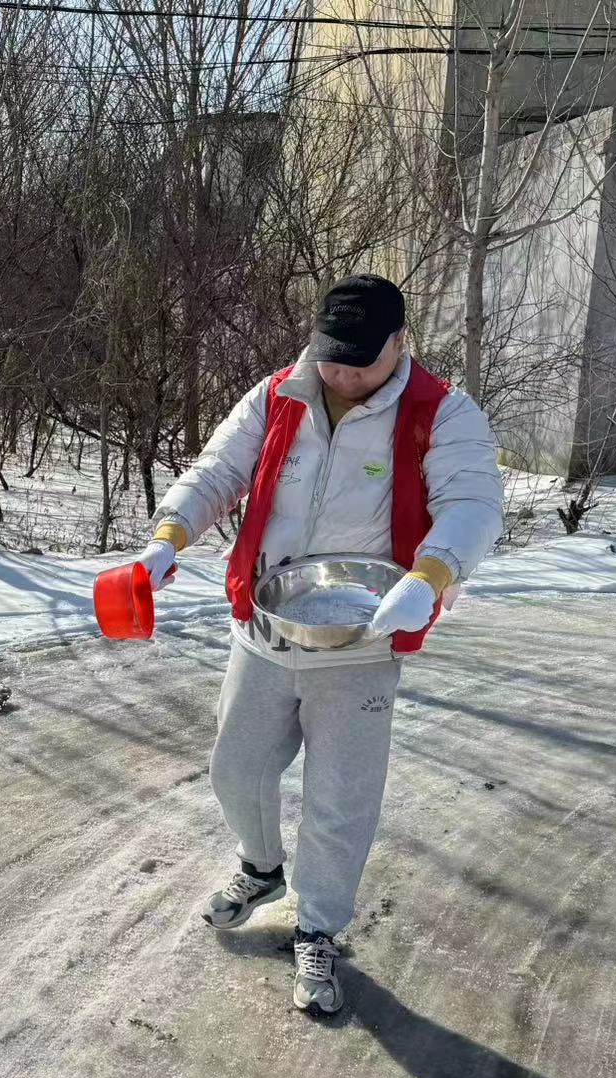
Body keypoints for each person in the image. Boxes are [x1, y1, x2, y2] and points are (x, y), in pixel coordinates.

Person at [139, 275, 503, 1016]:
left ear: (401, 344)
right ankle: (261, 866)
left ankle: (316, 926)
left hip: (362, 637)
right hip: (266, 626)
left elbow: (471, 504)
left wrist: (428, 577)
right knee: (236, 767)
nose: (340, 375)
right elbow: (218, 472)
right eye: (331, 358)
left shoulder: (441, 412)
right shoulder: (278, 395)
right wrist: (166, 537)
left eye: (359, 363)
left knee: (340, 798)